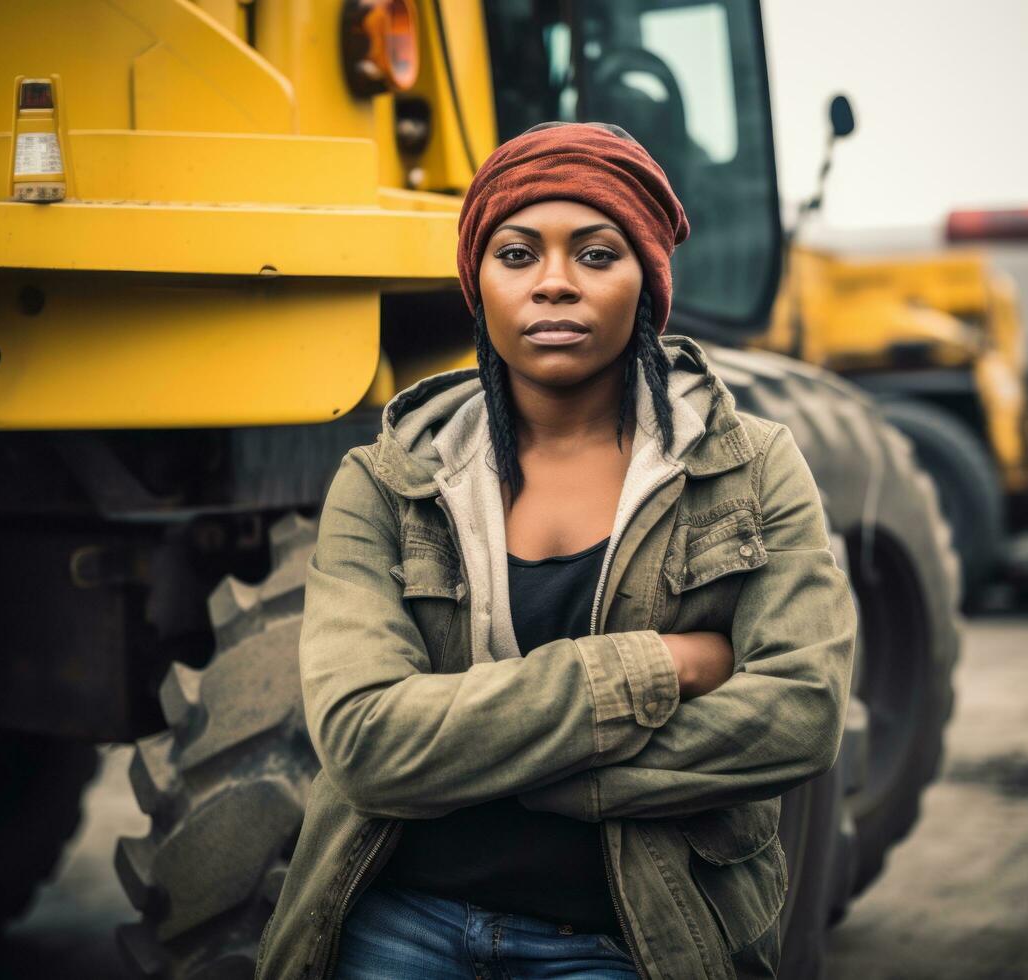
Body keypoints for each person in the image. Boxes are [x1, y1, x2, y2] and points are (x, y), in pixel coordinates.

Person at [255, 121, 857, 980]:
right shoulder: (388, 481)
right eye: (516, 254)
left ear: (645, 282)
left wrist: (506, 768)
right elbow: (364, 743)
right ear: (479, 285)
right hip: (397, 922)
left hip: (629, 936)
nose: (554, 285)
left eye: (597, 254)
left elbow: (799, 714)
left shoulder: (748, 468)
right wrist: (658, 667)